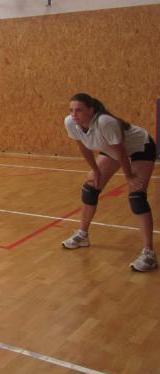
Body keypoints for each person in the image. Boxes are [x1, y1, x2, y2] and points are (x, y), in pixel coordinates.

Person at [62, 93, 157, 272]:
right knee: (90, 187)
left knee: (136, 196)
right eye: (71, 110)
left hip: (140, 147)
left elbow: (121, 152)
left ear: (91, 110)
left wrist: (129, 177)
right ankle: (82, 235)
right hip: (111, 149)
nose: (74, 114)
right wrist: (96, 171)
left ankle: (149, 254)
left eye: (79, 110)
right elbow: (83, 148)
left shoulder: (105, 122)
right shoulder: (71, 122)